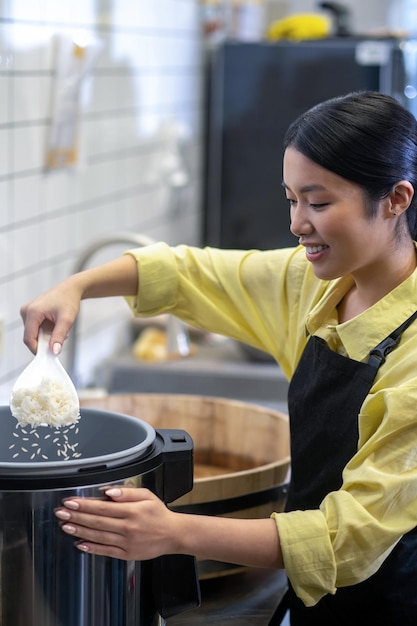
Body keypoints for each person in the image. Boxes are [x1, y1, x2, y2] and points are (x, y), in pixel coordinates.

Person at [20, 91, 417, 625]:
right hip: (316, 601)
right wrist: (79, 286)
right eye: (291, 199)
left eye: (319, 203)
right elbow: (190, 273)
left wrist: (173, 531)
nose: (298, 223)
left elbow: (347, 538)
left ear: (396, 198)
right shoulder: (315, 286)